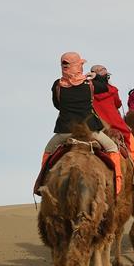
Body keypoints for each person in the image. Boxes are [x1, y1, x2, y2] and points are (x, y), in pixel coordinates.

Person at [38, 52, 123, 195]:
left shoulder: (57, 85)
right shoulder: (89, 83)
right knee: (112, 148)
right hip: (90, 130)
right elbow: (105, 87)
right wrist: (95, 76)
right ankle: (117, 185)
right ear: (78, 66)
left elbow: (57, 104)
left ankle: (42, 183)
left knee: (48, 151)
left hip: (65, 131)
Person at [90, 64, 134, 172]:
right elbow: (118, 104)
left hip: (97, 125)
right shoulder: (113, 90)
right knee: (132, 146)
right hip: (115, 124)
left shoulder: (88, 90)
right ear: (107, 77)